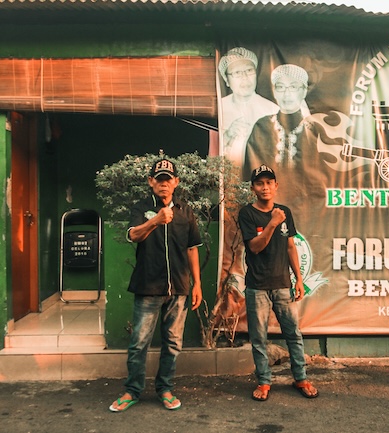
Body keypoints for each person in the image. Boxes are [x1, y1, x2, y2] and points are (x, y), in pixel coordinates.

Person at [109, 158, 203, 412]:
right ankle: (132, 390)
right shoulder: (141, 208)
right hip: (148, 285)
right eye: (159, 179)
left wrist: (197, 284)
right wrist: (155, 220)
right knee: (139, 342)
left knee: (173, 343)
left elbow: (192, 249)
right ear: (151, 182)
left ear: (176, 182)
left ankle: (165, 389)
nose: (164, 184)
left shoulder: (185, 211)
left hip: (179, 287)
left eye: (168, 179)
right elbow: (133, 235)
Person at [238, 164, 319, 401]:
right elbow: (255, 247)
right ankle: (264, 382)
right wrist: (272, 223)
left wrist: (299, 279)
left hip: (283, 284)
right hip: (257, 286)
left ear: (276, 186)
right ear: (253, 188)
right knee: (259, 338)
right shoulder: (247, 214)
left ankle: (300, 378)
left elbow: (291, 246)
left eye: (269, 183)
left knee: (293, 334)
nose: (265, 187)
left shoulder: (285, 212)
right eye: (260, 183)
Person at [208, 47, 279, 165]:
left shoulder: (272, 110)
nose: (245, 77)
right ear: (227, 80)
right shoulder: (218, 109)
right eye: (237, 73)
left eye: (249, 70)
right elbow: (212, 153)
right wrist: (228, 135)